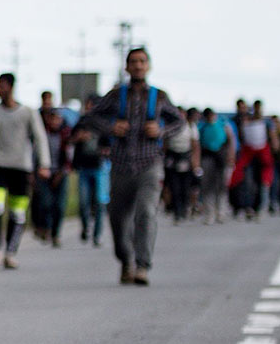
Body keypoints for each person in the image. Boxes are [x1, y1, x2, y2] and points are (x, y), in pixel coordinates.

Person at [82, 48, 186, 286]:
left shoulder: (159, 97)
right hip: (119, 165)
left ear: (148, 66)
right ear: (127, 67)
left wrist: (161, 130)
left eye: (142, 61)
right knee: (118, 218)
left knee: (146, 212)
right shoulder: (116, 95)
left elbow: (179, 121)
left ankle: (142, 265)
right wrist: (110, 127)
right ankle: (126, 260)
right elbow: (90, 117)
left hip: (149, 164)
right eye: (133, 62)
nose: (138, 66)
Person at [0, 74, 49, 268]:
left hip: (21, 168)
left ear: (11, 87)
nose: (0, 89)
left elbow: (39, 138)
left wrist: (44, 164)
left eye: (3, 85)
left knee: (18, 212)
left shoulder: (28, 112)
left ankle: (11, 252)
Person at [34, 94, 72, 247]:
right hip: (44, 172)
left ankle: (56, 233)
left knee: (60, 205)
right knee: (46, 203)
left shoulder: (66, 135)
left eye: (57, 118)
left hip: (61, 172)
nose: (55, 121)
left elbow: (69, 157)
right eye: (52, 118)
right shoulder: (42, 134)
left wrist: (62, 173)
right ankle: (45, 228)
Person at [231, 98, 274, 219]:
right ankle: (247, 206)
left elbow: (272, 138)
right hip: (248, 155)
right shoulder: (246, 120)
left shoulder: (266, 122)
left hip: (262, 156)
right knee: (247, 182)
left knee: (262, 182)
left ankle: (259, 206)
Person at [70, 121, 107, 244]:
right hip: (83, 169)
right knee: (83, 201)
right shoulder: (81, 123)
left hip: (99, 168)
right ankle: (86, 227)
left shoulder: (103, 124)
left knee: (99, 202)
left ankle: (97, 235)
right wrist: (78, 137)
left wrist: (104, 150)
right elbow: (69, 140)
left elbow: (109, 144)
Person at [195, 105, 232, 224]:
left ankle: (221, 212)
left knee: (221, 186)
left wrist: (231, 156)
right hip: (207, 157)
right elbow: (197, 145)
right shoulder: (202, 127)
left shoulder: (222, 124)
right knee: (207, 186)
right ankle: (209, 213)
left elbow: (230, 140)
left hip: (220, 156)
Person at [163, 106, 200, 222]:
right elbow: (165, 144)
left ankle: (184, 208)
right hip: (173, 158)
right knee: (174, 186)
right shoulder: (170, 127)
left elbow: (195, 146)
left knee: (186, 186)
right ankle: (177, 211)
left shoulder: (190, 127)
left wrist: (196, 163)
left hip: (186, 158)